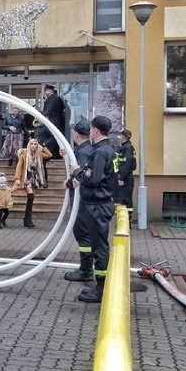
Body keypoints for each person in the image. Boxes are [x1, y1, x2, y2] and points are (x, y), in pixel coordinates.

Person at [70, 115, 118, 303]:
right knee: (98, 245)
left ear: (95, 130)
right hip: (99, 204)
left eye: (91, 128)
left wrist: (77, 171)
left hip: (97, 206)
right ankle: (100, 284)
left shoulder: (100, 152)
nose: (89, 131)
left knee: (99, 247)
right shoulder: (107, 150)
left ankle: (101, 288)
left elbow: (93, 178)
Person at [62, 119, 95, 282]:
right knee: (85, 234)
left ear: (75, 134)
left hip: (81, 201)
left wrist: (68, 182)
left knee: (82, 234)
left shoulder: (83, 152)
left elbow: (79, 176)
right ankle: (87, 268)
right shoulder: (87, 149)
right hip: (84, 199)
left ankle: (86, 270)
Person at [14, 138, 52, 228]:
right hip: (27, 177)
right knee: (30, 196)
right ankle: (27, 219)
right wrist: (17, 178)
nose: (33, 146)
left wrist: (42, 147)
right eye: (31, 144)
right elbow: (19, 166)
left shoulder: (39, 154)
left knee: (31, 198)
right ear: (29, 145)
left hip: (35, 177)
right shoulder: (24, 154)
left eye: (35, 144)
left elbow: (49, 155)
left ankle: (27, 219)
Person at [35, 84, 67, 156]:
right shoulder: (58, 98)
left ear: (50, 90)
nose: (45, 92)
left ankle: (43, 145)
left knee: (51, 136)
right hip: (58, 122)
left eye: (46, 90)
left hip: (52, 122)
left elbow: (47, 111)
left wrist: (38, 113)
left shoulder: (51, 99)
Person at [116, 129, 136, 223]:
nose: (119, 137)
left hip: (126, 178)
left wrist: (121, 178)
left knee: (126, 199)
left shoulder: (128, 148)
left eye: (120, 135)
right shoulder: (125, 147)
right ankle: (124, 221)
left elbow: (127, 164)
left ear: (124, 137)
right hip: (125, 177)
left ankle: (127, 221)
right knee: (124, 199)